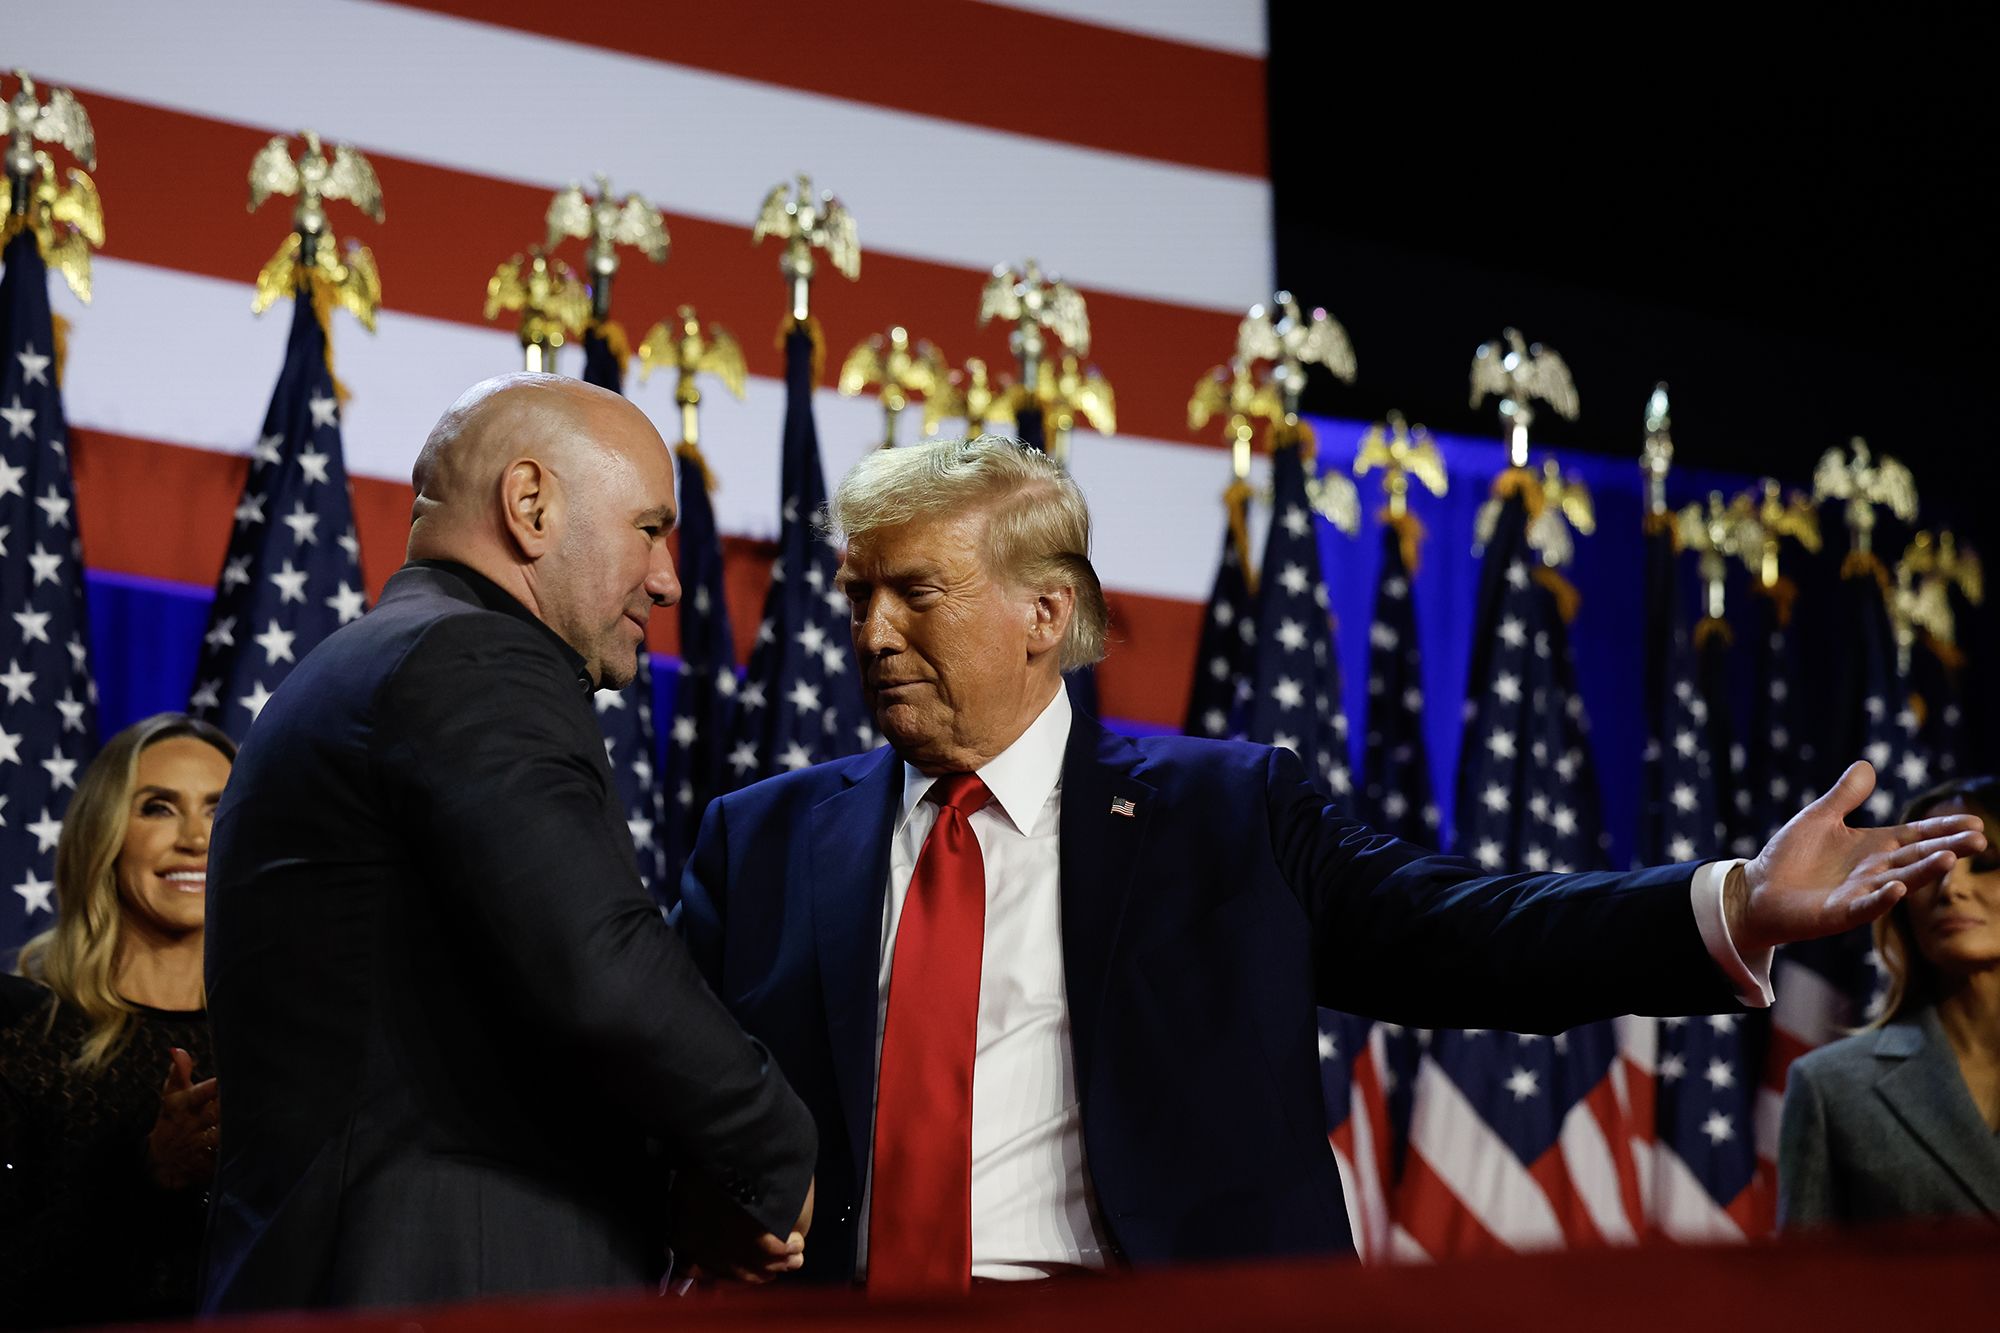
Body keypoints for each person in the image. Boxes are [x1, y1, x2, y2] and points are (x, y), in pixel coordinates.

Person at [676, 435, 1986, 1291]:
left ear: (1045, 612)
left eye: (912, 590)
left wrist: (1736, 900)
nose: (870, 630)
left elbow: (1466, 929)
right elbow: (655, 1061)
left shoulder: (1227, 811)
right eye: (856, 596)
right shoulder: (767, 837)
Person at [200, 374, 816, 1313]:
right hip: (443, 1278)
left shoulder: (363, 663)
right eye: (650, 528)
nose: (668, 578)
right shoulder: (474, 660)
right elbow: (598, 963)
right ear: (530, 505)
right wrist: (775, 1153)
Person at [1, 713, 235, 1327]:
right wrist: (150, 1172)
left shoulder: (297, 1038)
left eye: (220, 808)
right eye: (158, 808)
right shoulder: (20, 1036)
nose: (195, 838)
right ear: (103, 833)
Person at [1778, 775, 2000, 1227]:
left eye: (1983, 861)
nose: (1950, 889)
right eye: (1928, 868)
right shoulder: (1830, 1087)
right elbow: (1801, 1292)